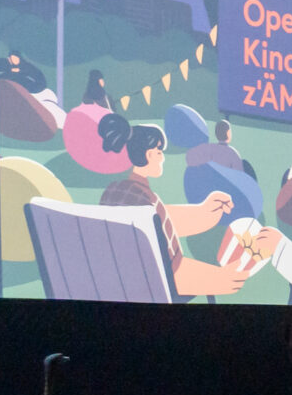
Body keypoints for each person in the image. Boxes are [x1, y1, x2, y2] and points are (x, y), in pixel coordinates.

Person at [95, 113, 267, 299]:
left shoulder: (118, 191)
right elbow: (170, 271)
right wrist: (221, 278)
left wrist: (205, 211)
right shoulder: (144, 201)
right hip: (147, 291)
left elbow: (160, 220)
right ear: (149, 154)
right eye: (160, 152)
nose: (162, 158)